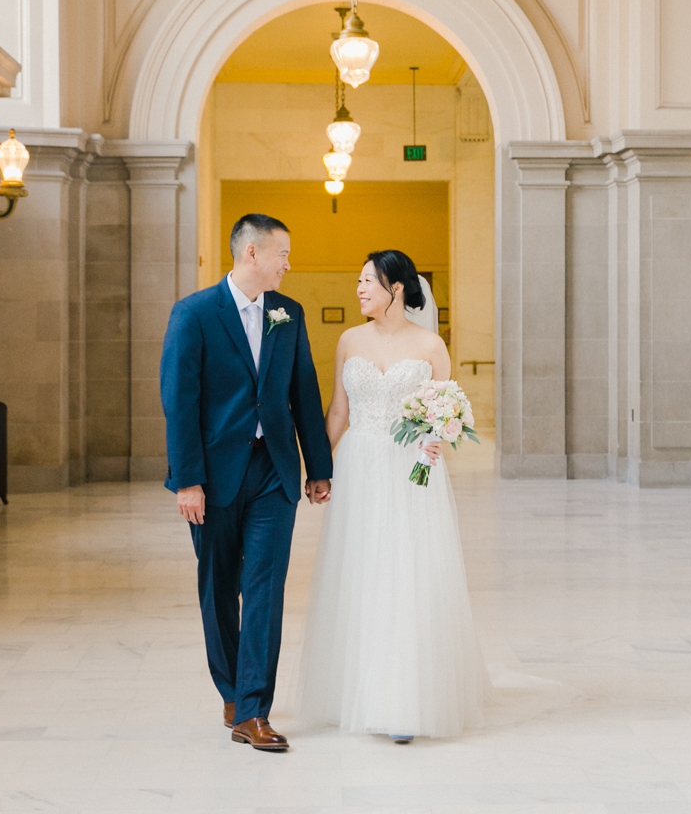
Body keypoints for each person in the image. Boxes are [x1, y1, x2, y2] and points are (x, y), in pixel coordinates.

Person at [295, 249, 489, 741]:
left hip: (410, 470)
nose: (358, 289)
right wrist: (318, 467)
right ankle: (355, 691)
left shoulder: (430, 346)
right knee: (360, 569)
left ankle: (405, 697)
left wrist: (436, 438)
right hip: (359, 463)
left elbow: (442, 409)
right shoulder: (348, 340)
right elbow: (338, 411)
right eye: (357, 280)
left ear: (396, 288)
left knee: (406, 572)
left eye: (367, 281)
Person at [160, 213, 333, 752]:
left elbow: (304, 389)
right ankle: (231, 691)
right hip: (212, 476)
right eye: (282, 253)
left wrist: (319, 466)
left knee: (264, 588)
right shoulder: (194, 313)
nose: (289, 263)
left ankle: (254, 708)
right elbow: (179, 401)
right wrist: (188, 480)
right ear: (252, 254)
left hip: (273, 473)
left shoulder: (289, 313)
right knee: (217, 589)